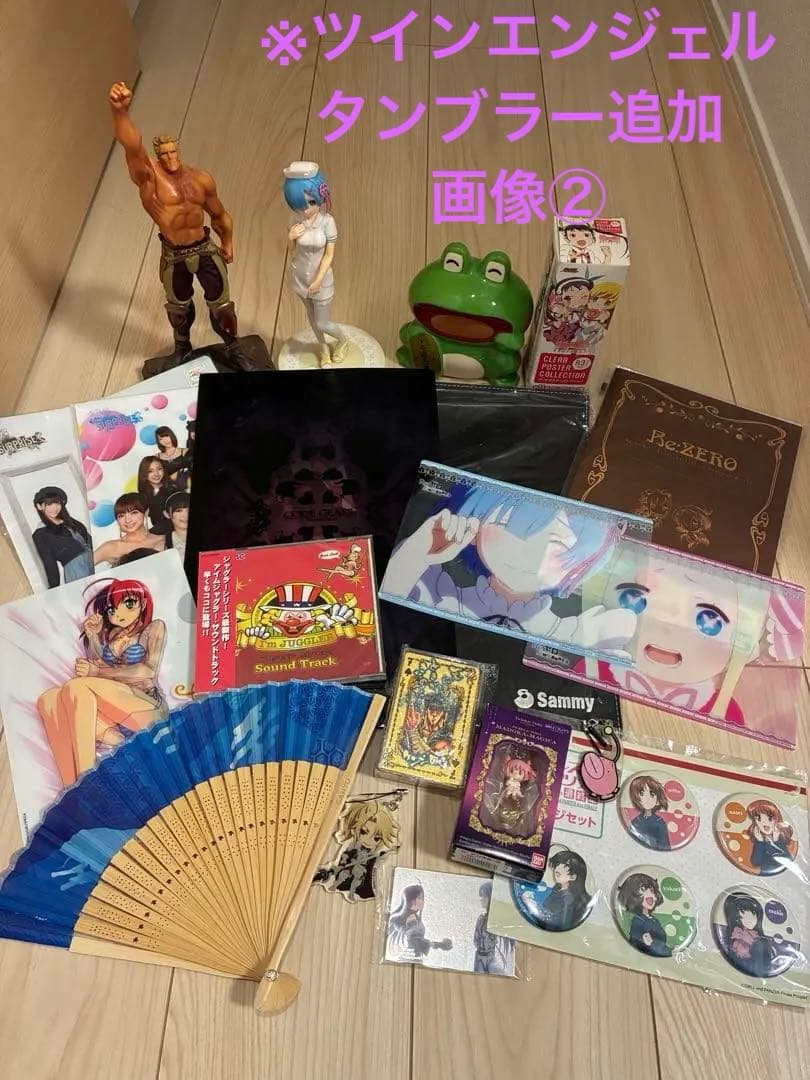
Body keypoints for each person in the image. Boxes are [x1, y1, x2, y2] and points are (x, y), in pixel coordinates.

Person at [383, 484, 634, 652]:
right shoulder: (440, 595)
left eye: (557, 543)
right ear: (473, 525)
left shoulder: (566, 632)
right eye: (507, 525)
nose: (529, 554)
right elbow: (389, 594)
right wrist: (417, 551)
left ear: (583, 562)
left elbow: (614, 634)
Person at [108, 81, 244, 372]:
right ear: (158, 156)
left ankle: (234, 348)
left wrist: (228, 241)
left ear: (178, 151)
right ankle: (182, 349)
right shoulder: (150, 178)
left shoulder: (200, 179)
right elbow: (132, 146)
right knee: (178, 307)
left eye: (173, 152)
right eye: (165, 154)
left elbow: (219, 214)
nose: (170, 158)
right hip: (174, 254)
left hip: (204, 248)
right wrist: (120, 111)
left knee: (222, 305)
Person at [36, 578, 167, 787]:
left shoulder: (153, 628)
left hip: (148, 708)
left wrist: (97, 670)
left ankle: (87, 781)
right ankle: (72, 791)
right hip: (117, 717)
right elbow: (103, 670)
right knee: (49, 700)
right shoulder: (115, 634)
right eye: (112, 609)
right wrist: (94, 636)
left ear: (143, 603)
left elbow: (148, 671)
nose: (118, 614)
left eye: (128, 604)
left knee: (75, 687)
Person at [283, 161, 351, 368]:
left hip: (321, 279)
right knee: (312, 318)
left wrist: (318, 280)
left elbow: (329, 255)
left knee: (323, 322)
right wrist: (290, 237)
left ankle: (342, 340)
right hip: (300, 276)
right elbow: (292, 251)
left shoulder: (327, 222)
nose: (305, 210)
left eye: (311, 203)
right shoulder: (295, 220)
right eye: (299, 204)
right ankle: (323, 350)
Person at [313, 794, 401, 903]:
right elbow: (346, 853)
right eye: (363, 832)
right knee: (344, 874)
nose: (368, 840)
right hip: (350, 864)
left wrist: (388, 852)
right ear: (355, 829)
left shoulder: (374, 851)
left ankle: (351, 892)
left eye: (376, 838)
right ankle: (334, 885)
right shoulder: (354, 845)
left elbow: (379, 857)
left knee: (358, 877)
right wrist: (345, 860)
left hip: (361, 868)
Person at [31, 486, 93, 587]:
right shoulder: (41, 534)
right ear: (39, 506)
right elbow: (49, 563)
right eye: (49, 504)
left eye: (57, 503)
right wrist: (54, 589)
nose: (54, 508)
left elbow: (90, 541)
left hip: (93, 560)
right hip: (76, 570)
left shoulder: (71, 522)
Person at [93, 493, 165, 567]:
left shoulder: (163, 539)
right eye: (121, 516)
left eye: (134, 513)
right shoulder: (111, 547)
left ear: (146, 512)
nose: (127, 520)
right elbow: (85, 566)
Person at [387, 884, 452, 961]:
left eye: (423, 898)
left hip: (417, 956)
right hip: (409, 956)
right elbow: (414, 939)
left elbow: (419, 939)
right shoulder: (400, 919)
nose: (423, 901)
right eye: (420, 898)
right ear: (412, 900)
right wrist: (438, 945)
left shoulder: (415, 917)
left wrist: (439, 945)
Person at [616, 872, 672, 958]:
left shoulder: (653, 919)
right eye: (643, 889)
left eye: (652, 890)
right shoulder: (638, 920)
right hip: (646, 956)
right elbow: (636, 940)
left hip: (658, 954)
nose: (650, 894)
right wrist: (649, 942)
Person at [723, 893, 776, 978]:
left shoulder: (759, 943)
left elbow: (759, 970)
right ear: (737, 919)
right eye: (742, 916)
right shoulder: (736, 935)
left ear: (758, 914)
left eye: (753, 913)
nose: (749, 920)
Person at [539, 850, 593, 931]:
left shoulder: (568, 898)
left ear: (573, 877)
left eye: (566, 865)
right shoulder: (557, 889)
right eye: (557, 864)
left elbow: (563, 922)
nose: (557, 868)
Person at [473, 881, 515, 974]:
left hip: (490, 959)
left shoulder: (496, 919)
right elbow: (475, 941)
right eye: (481, 897)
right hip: (480, 959)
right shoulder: (481, 919)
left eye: (485, 897)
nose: (482, 899)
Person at [745, 799, 795, 875]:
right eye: (759, 819)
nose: (764, 823)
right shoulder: (759, 841)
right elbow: (755, 862)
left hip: (783, 876)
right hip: (764, 876)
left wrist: (776, 841)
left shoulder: (780, 839)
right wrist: (760, 842)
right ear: (755, 823)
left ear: (776, 819)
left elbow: (786, 861)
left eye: (769, 818)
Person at [626, 775, 671, 852]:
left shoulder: (659, 823)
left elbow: (664, 846)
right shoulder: (635, 821)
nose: (647, 798)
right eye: (641, 794)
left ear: (658, 800)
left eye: (652, 794)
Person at [137, 457, 179, 536]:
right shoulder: (142, 496)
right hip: (156, 534)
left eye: (159, 469)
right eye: (150, 471)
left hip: (174, 531)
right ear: (144, 473)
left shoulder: (173, 490)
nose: (156, 474)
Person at [163, 490, 190, 563]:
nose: (185, 515)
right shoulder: (162, 543)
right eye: (178, 511)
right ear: (167, 514)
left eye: (188, 510)